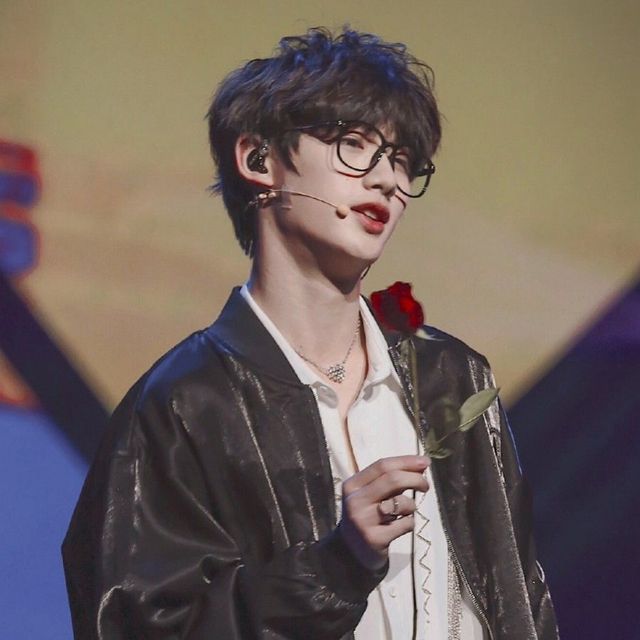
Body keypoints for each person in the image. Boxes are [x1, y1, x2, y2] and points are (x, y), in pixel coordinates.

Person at [63, 27, 558, 640]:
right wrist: (336, 565)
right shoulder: (183, 405)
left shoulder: (453, 379)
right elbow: (140, 626)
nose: (387, 180)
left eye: (403, 160)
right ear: (258, 160)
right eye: (355, 145)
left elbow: (522, 597)